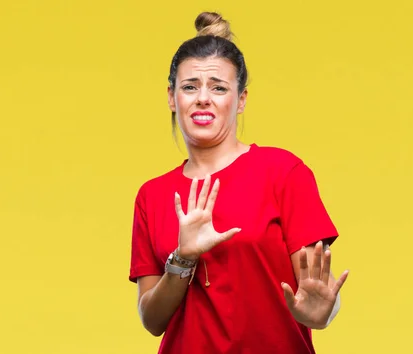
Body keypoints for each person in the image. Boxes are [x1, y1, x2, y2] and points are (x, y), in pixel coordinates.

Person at [128, 11, 350, 354]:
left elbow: (314, 295)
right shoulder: (152, 195)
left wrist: (323, 313)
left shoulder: (283, 172)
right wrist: (183, 258)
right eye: (190, 87)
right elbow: (152, 319)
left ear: (241, 100)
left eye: (219, 88)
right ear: (172, 98)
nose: (203, 98)